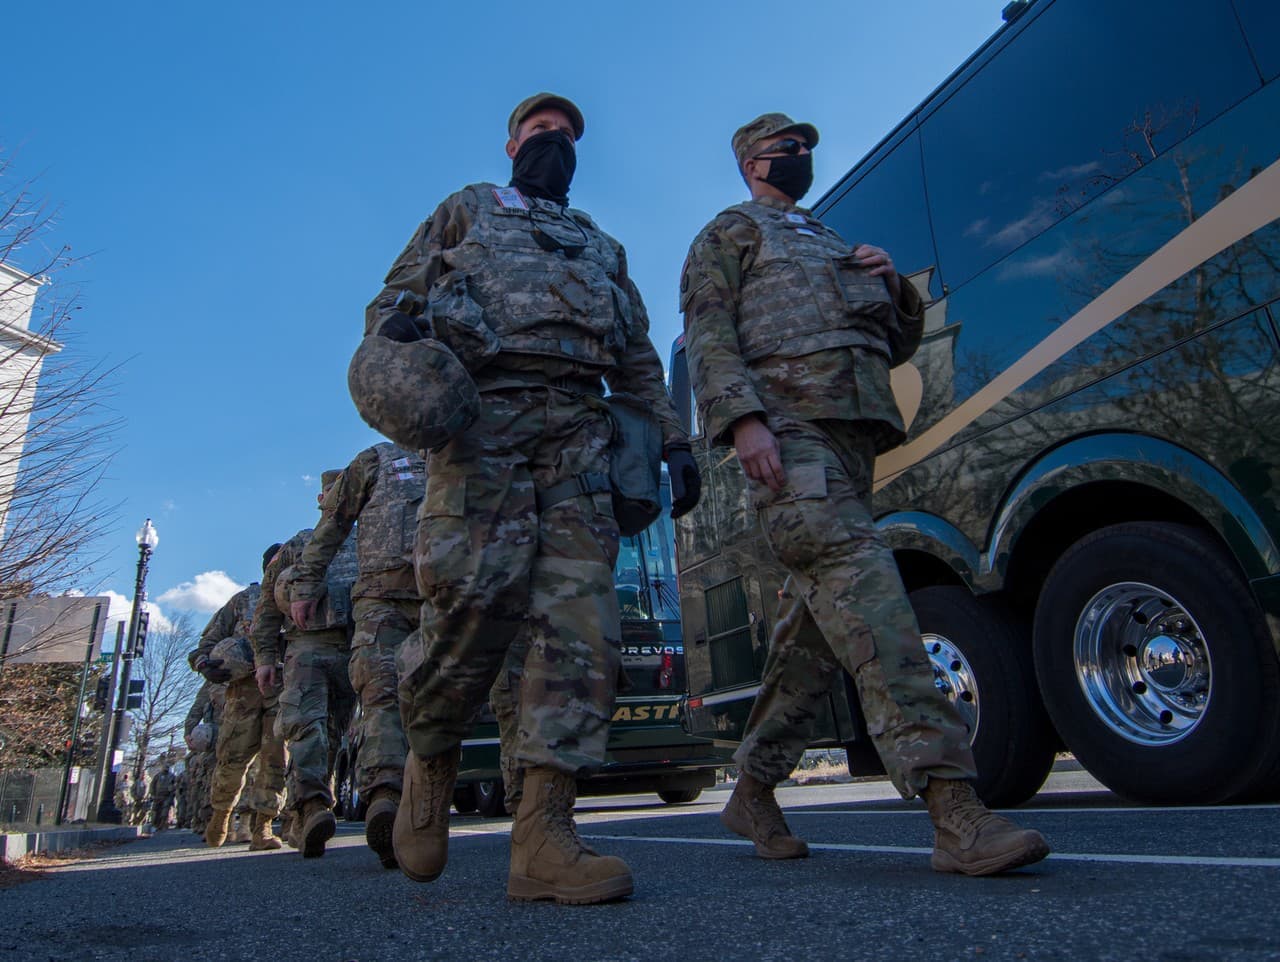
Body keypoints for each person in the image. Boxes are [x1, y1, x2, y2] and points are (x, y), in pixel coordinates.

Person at [679, 112, 1050, 877]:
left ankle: (752, 786)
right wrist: (744, 422)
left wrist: (893, 289)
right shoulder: (729, 233)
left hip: (853, 444)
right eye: (788, 148)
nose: (802, 157)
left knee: (813, 638)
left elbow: (891, 342)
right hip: (789, 440)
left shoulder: (828, 241)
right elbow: (709, 331)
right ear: (753, 162)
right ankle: (955, 809)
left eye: (809, 148)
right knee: (876, 598)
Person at [362, 92, 700, 904]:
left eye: (567, 136)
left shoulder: (600, 246)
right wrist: (399, 339)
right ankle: (429, 757)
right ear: (511, 142)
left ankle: (544, 838)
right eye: (541, 132)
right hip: (484, 426)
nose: (554, 143)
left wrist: (677, 442)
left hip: (581, 437)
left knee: (581, 629)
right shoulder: (468, 209)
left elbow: (639, 355)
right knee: (470, 609)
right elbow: (392, 304)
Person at [287, 443, 424, 869]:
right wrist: (306, 583)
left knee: (432, 704)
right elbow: (332, 523)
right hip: (382, 601)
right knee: (382, 695)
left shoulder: (458, 452)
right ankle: (387, 798)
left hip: (444, 597)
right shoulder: (377, 460)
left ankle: (416, 809)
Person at [252, 477, 358, 859]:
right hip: (306, 646)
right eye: (331, 493)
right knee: (305, 726)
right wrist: (265, 657)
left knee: (331, 735)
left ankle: (310, 810)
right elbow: (266, 605)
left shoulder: (369, 540)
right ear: (320, 499)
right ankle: (312, 808)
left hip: (354, 647)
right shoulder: (299, 544)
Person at [190, 546, 287, 851]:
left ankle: (264, 827)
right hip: (243, 692)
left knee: (276, 760)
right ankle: (221, 815)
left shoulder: (295, 596)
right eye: (275, 562)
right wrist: (204, 664)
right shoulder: (243, 601)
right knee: (233, 758)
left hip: (281, 689)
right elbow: (206, 643)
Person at [149, 764, 177, 830]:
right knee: (155, 811)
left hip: (167, 796)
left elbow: (175, 785)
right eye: (164, 768)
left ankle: (163, 825)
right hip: (157, 796)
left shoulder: (172, 776)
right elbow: (152, 785)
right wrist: (152, 794)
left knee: (165, 812)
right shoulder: (158, 776)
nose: (165, 769)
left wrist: (172, 792)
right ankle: (155, 824)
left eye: (167, 768)